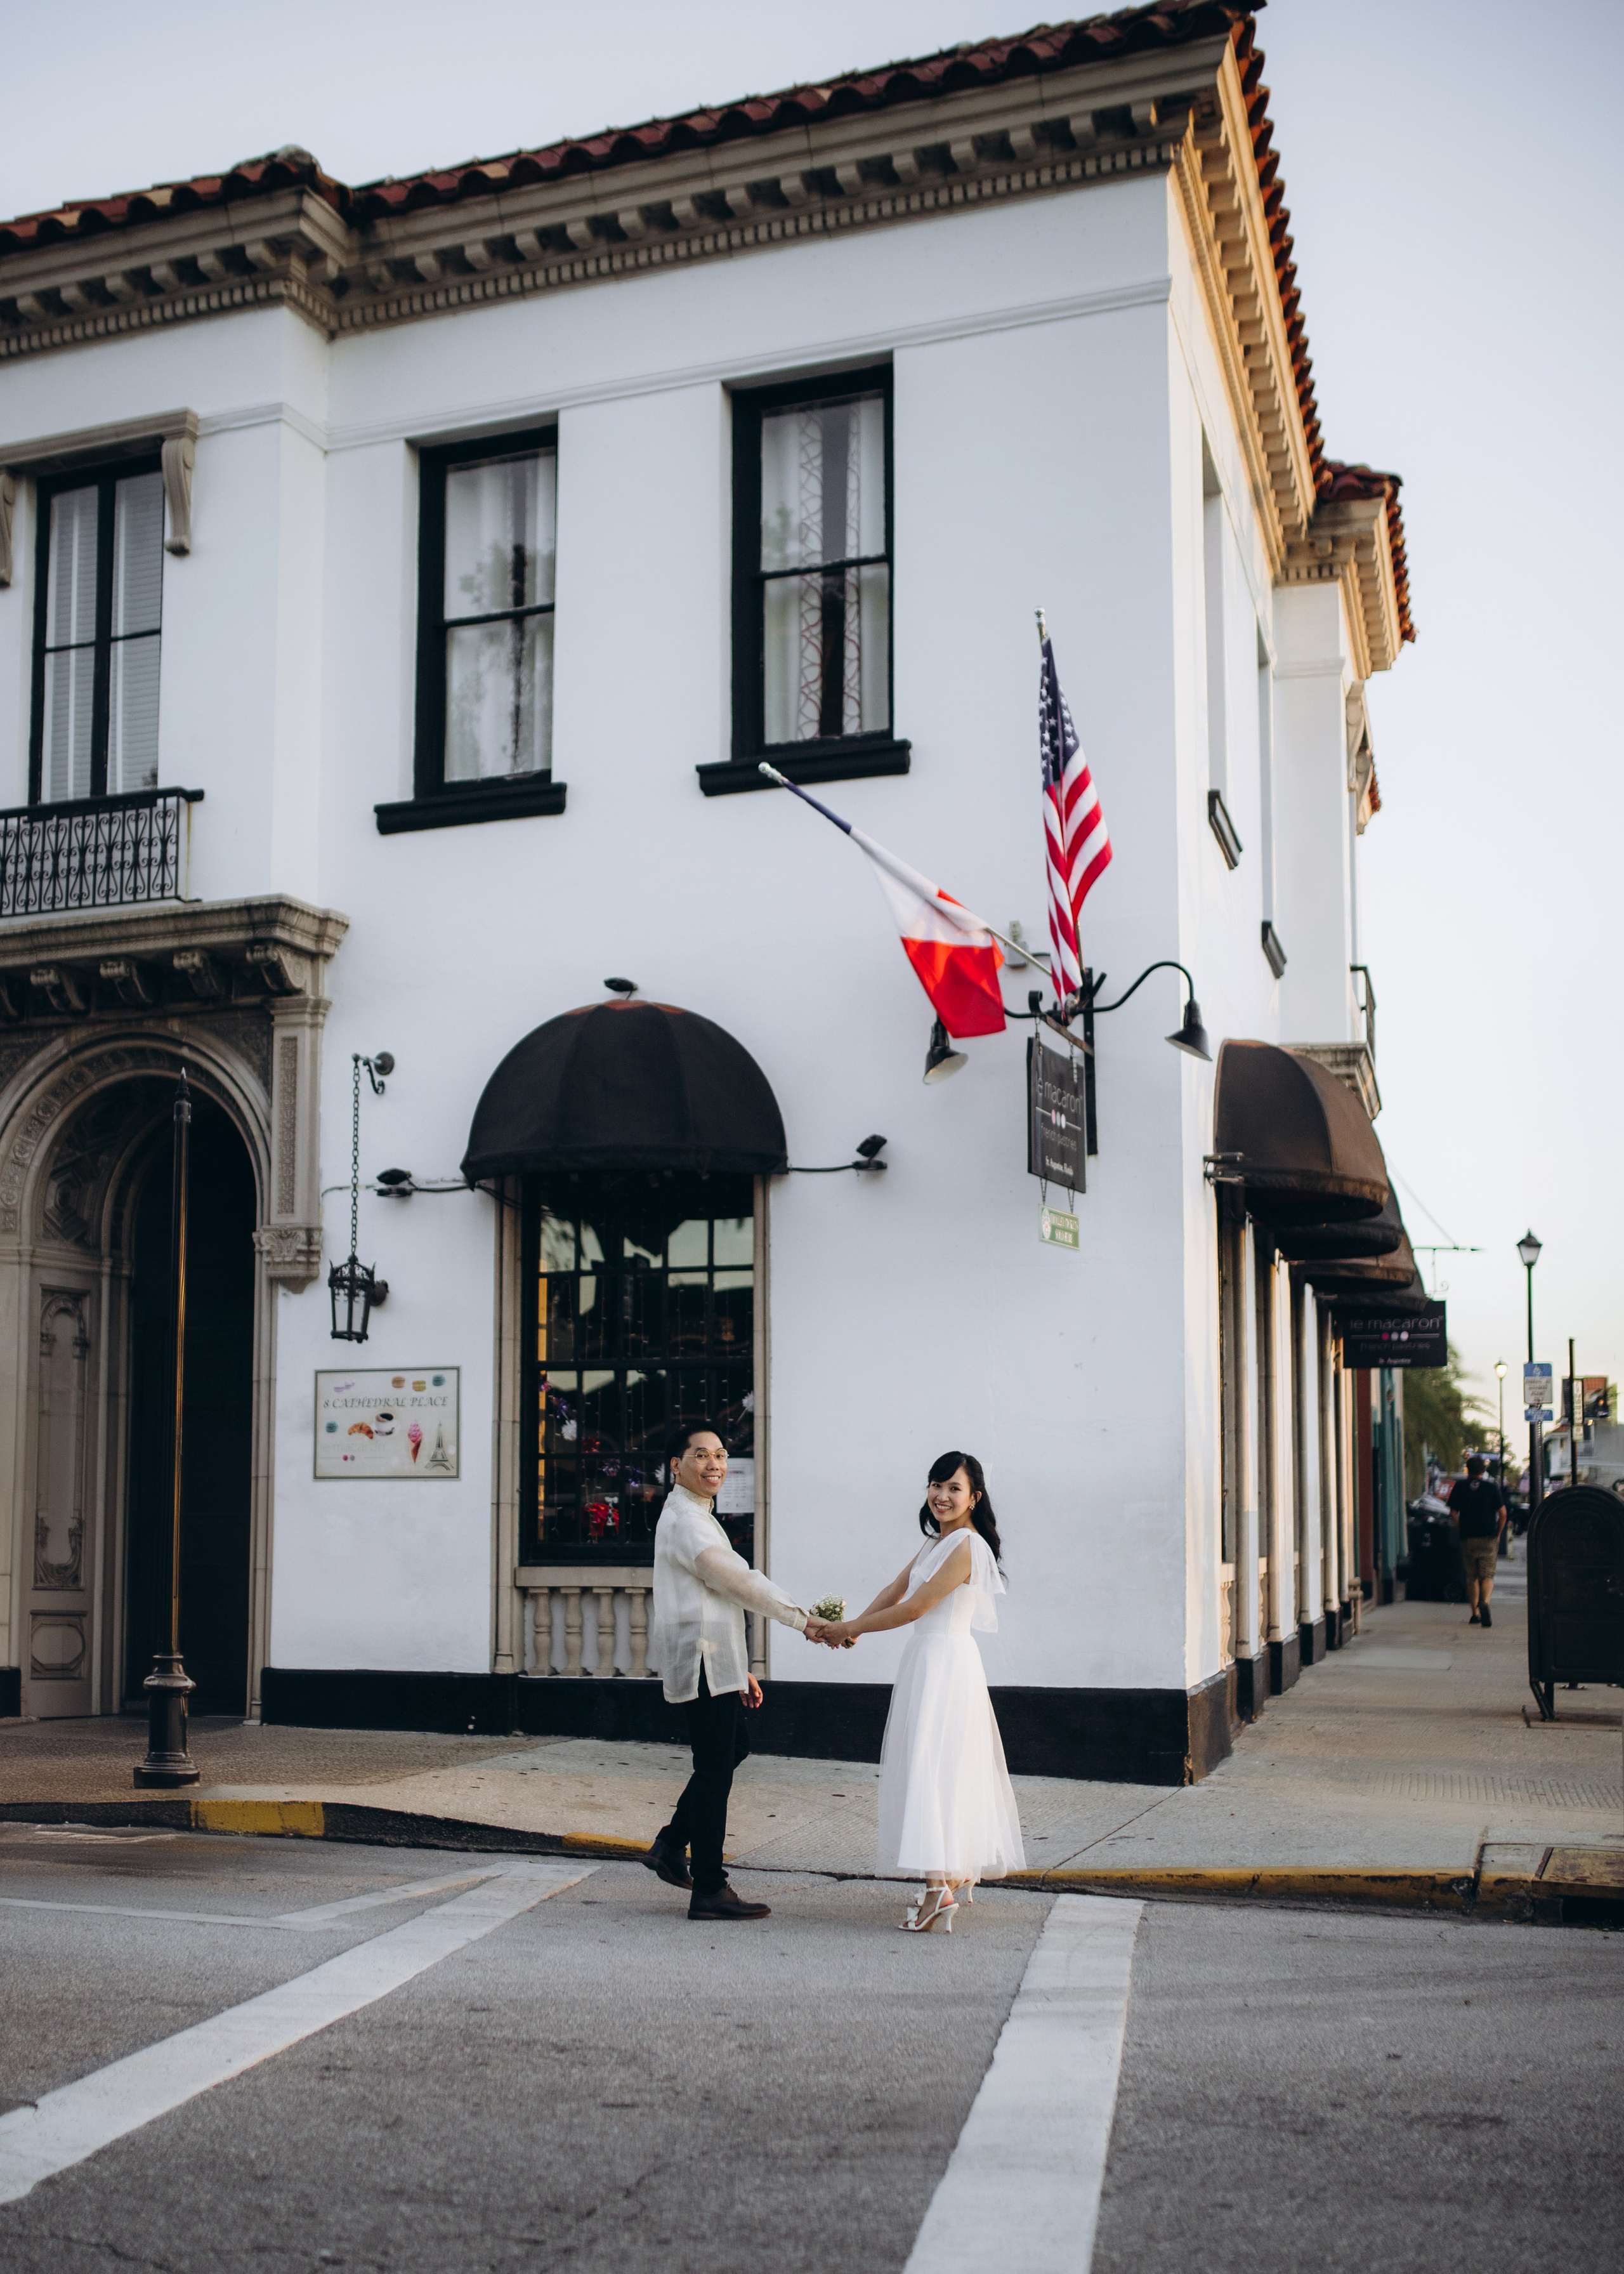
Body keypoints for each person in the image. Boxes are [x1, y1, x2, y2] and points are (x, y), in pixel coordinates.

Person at [820, 1450, 1024, 1933]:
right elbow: (897, 1589)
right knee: (934, 1765)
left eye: (955, 1488)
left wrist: (852, 1626)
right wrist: (854, 1629)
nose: (942, 1496)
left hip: (946, 1663)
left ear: (975, 1497)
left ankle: (938, 1892)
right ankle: (951, 1873)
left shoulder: (968, 1547)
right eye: (936, 1485)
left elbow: (915, 1609)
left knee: (932, 1768)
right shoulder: (940, 1541)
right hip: (927, 1661)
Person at [643, 1423, 831, 1921]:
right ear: (676, 1466)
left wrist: (738, 1667)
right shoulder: (687, 1521)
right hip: (703, 1659)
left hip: (713, 1657)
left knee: (730, 1752)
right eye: (701, 1455)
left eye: (721, 1455)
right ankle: (709, 1885)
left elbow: (710, 1601)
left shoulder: (696, 1515)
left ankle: (669, 1845)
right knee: (714, 1768)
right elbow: (736, 1582)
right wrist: (803, 1619)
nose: (714, 1464)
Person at [1448, 1454, 1509, 1627]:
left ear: (1468, 1469)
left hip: (1468, 1538)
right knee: (1487, 1575)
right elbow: (1503, 1513)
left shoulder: (1460, 1486)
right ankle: (1485, 1603)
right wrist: (1498, 1533)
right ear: (1483, 1470)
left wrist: (1462, 1527)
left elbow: (1453, 1512)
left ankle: (1475, 1613)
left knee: (1472, 1576)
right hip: (1488, 1537)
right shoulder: (1491, 1487)